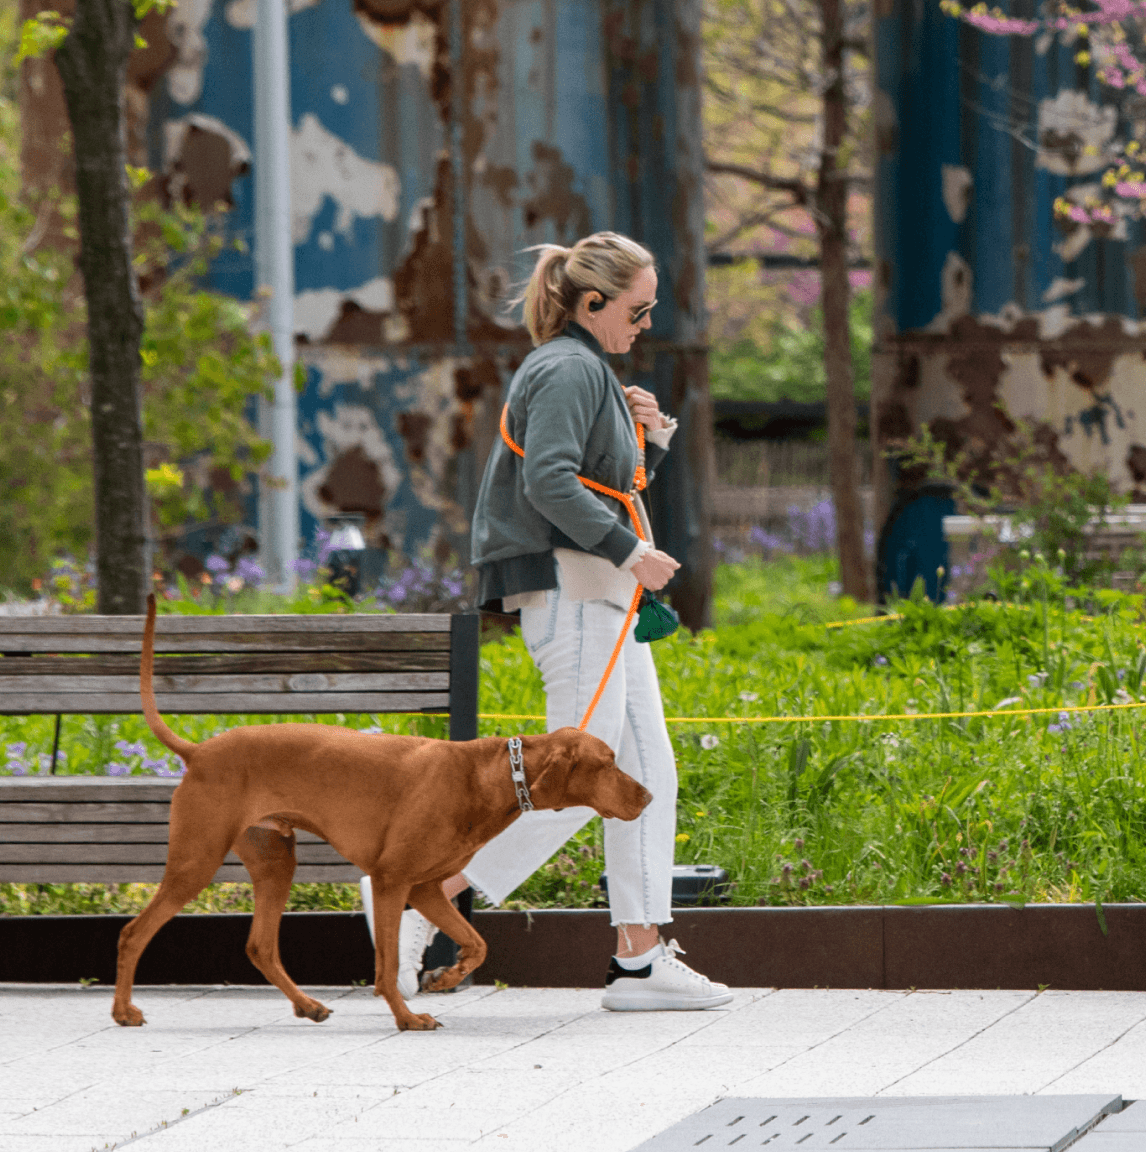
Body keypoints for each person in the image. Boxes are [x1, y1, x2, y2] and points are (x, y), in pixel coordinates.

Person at [394, 231, 731, 1010]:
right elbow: (548, 483)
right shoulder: (568, 368)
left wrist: (650, 441)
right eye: (637, 310)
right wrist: (630, 551)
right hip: (578, 596)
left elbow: (600, 484)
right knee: (577, 785)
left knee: (644, 780)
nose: (645, 324)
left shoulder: (587, 372)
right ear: (592, 302)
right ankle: (422, 891)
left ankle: (640, 964)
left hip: (597, 599)